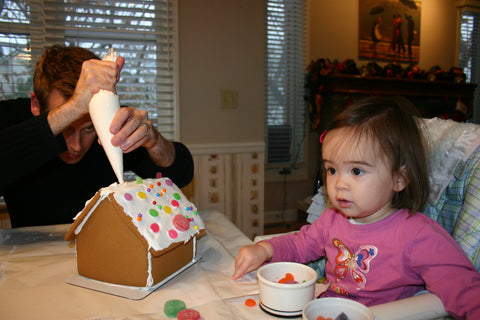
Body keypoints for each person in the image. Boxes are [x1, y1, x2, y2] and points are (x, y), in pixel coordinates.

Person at [232, 97, 480, 319]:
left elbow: (465, 290)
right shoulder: (332, 219)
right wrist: (265, 249)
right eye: (332, 170)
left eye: (357, 171)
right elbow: (300, 245)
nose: (339, 184)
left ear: (399, 179)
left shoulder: (418, 235)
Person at [0, 45, 194, 228]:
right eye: (66, 127)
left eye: (89, 128)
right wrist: (74, 107)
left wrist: (155, 141)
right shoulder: (12, 120)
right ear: (35, 105)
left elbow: (180, 175)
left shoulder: (111, 123)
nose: (76, 146)